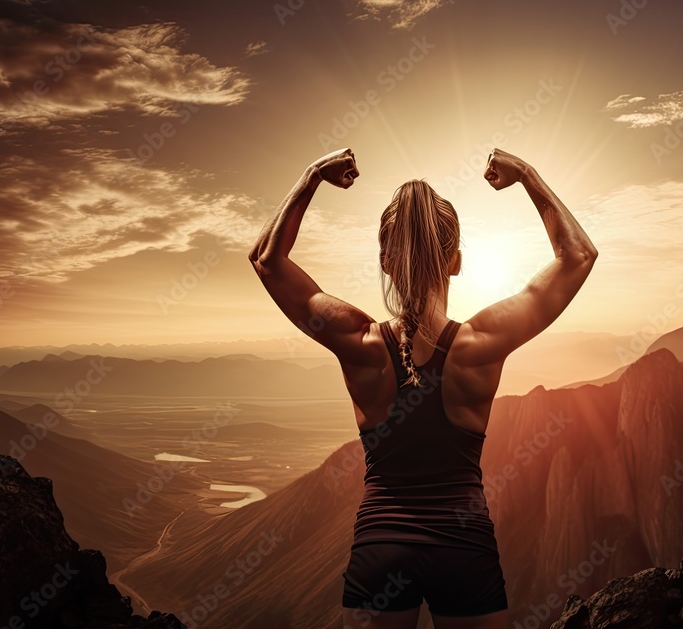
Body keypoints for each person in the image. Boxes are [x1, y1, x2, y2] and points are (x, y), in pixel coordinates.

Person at [248, 147, 597, 629]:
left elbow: (268, 259)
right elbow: (578, 255)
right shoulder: (481, 344)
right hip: (464, 549)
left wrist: (311, 176)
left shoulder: (360, 342)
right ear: (455, 262)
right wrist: (527, 176)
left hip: (379, 549)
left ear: (387, 262)